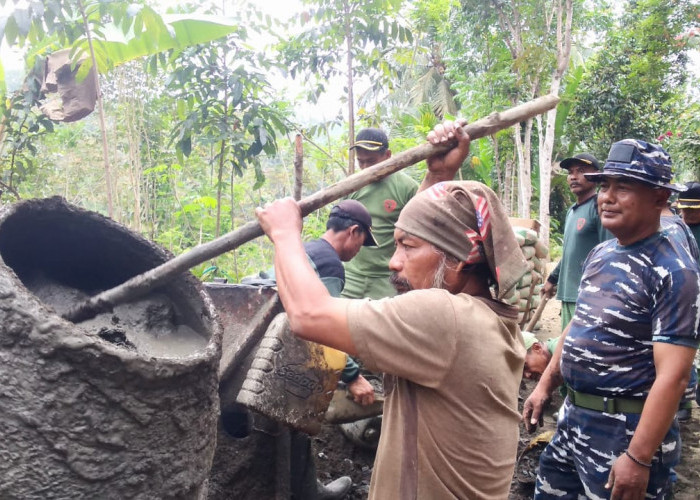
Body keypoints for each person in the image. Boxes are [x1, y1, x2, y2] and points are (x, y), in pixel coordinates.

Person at [256, 120, 531, 498]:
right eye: (396, 244)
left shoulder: (443, 317)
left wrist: (286, 234)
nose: (392, 262)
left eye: (408, 247)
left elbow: (307, 315)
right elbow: (430, 235)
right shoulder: (482, 315)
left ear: (459, 259)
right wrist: (439, 174)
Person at [523, 139, 700, 500]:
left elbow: (675, 374)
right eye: (605, 185)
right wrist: (546, 383)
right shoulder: (602, 253)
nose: (608, 197)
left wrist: (638, 456)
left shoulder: (673, 271)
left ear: (659, 198)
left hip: (624, 431)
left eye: (625, 187)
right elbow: (579, 323)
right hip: (574, 419)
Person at [341, 128, 419, 300]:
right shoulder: (350, 186)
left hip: (387, 279)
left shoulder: (407, 188)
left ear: (388, 155)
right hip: (351, 276)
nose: (366, 168)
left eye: (372, 161)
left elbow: (418, 237)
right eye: (361, 162)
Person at [542, 153, 613, 330]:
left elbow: (610, 253)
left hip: (588, 299)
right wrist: (552, 278)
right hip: (568, 295)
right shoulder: (572, 211)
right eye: (570, 172)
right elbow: (569, 253)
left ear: (596, 175)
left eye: (581, 171)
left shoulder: (599, 208)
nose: (573, 176)